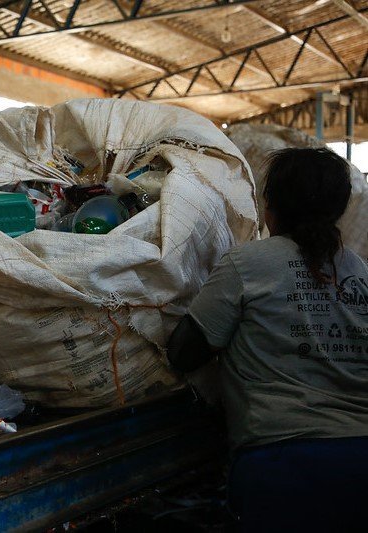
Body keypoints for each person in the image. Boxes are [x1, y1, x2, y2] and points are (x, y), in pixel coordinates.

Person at [167, 147, 368, 532]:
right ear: (338, 210)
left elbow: (184, 353)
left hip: (284, 464)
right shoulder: (360, 272)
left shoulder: (247, 264)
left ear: (270, 206)